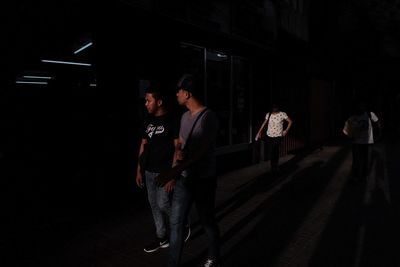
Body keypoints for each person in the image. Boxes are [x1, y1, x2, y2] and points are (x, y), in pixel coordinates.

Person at [155, 74, 221, 267]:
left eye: (179, 91)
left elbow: (199, 154)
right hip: (184, 179)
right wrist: (174, 173)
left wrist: (172, 172)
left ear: (187, 93)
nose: (176, 94)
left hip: (204, 180)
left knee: (207, 221)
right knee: (176, 223)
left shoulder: (209, 117)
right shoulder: (184, 117)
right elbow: (180, 148)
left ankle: (214, 256)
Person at [136, 85, 181, 253]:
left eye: (149, 100)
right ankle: (162, 237)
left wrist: (173, 174)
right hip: (148, 171)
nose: (146, 103)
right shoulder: (147, 121)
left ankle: (180, 224)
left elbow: (177, 148)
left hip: (164, 172)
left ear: (159, 102)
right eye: (145, 100)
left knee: (163, 204)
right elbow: (143, 145)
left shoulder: (172, 121)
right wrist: (139, 169)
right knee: (154, 205)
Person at [343, 101, 380, 181]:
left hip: (367, 142)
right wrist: (349, 136)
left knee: (365, 160)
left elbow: (377, 123)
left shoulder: (370, 114)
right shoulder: (352, 118)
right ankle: (356, 176)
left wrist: (378, 134)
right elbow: (346, 130)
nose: (360, 107)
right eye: (359, 106)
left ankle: (363, 176)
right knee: (356, 160)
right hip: (356, 142)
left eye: (362, 105)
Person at [255, 104, 293, 173]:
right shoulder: (268, 114)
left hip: (278, 136)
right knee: (272, 151)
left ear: (277, 108)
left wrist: (286, 130)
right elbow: (264, 123)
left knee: (275, 150)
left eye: (275, 108)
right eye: (273, 108)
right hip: (269, 135)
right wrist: (259, 132)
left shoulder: (282, 114)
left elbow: (290, 121)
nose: (274, 110)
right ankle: (273, 167)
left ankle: (275, 166)